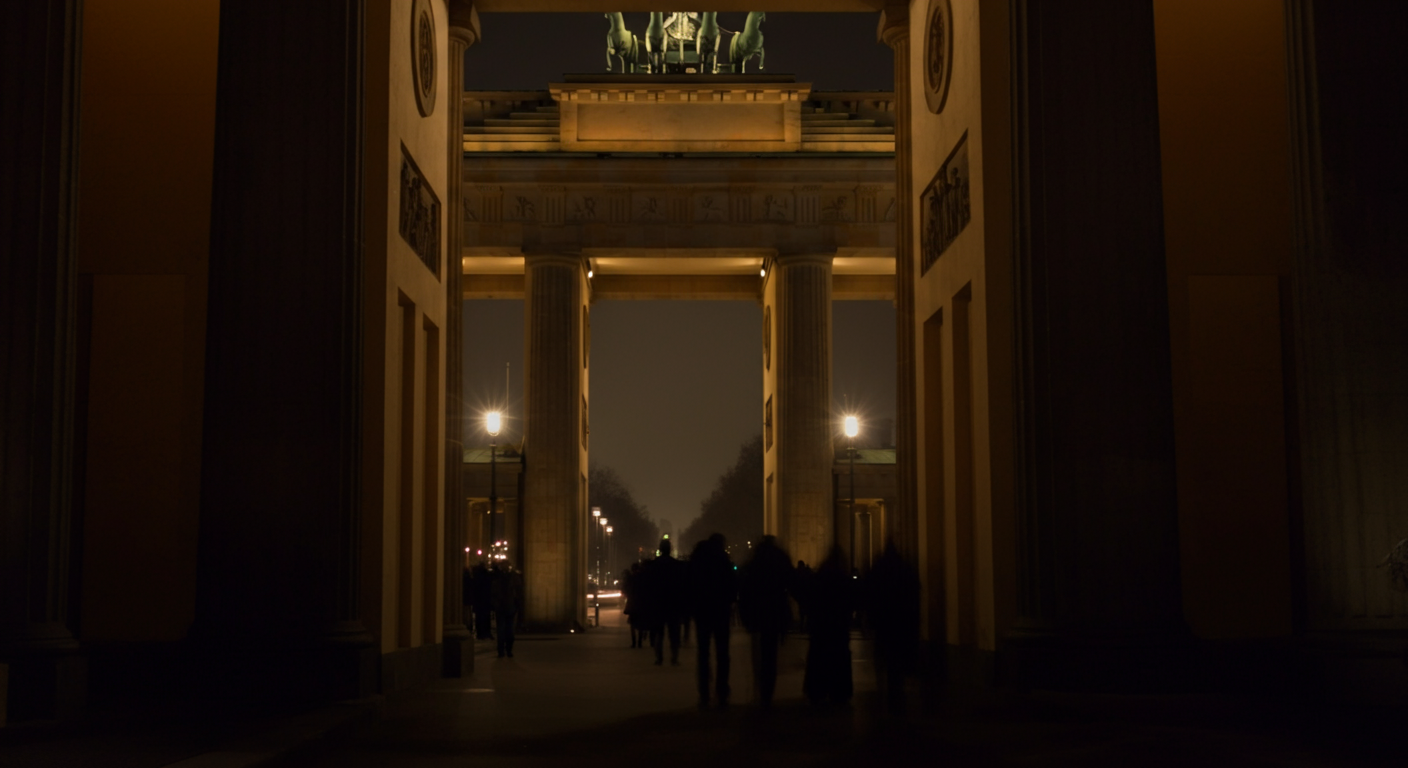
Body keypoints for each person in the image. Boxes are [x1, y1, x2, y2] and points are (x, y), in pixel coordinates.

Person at [866, 538, 921, 714]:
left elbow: (870, 592)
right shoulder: (904, 568)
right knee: (897, 657)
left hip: (884, 621)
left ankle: (885, 687)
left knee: (884, 655)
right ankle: (896, 689)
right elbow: (914, 591)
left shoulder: (880, 568)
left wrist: (871, 618)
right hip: (900, 621)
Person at [739, 535, 792, 708]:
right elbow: (791, 582)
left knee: (758, 652)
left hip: (757, 613)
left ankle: (760, 684)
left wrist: (744, 614)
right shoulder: (780, 560)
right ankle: (767, 690)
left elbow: (744, 590)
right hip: (775, 612)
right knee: (771, 654)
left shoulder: (754, 563)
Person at [689, 534, 736, 709]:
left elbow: (690, 585)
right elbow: (732, 585)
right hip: (720, 611)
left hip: (702, 611)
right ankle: (722, 691)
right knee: (723, 654)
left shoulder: (697, 561)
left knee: (703, 654)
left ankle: (704, 693)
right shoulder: (723, 561)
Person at [803, 546, 853, 705]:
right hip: (838, 626)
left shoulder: (820, 578)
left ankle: (817, 690)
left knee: (819, 657)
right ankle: (839, 691)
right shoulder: (843, 579)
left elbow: (809, 597)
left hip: (821, 626)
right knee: (839, 658)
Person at [643, 538, 687, 666]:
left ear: (660, 550)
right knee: (674, 633)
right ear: (670, 549)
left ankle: (659, 657)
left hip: (658, 603)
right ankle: (674, 657)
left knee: (659, 633)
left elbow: (648, 585)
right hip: (673, 603)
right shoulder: (677, 566)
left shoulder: (653, 565)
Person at [492, 560, 524, 658]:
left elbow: (493, 593)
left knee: (501, 629)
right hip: (510, 606)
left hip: (501, 606)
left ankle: (501, 651)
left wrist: (495, 604)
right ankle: (508, 650)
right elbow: (519, 592)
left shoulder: (496, 577)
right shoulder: (514, 577)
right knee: (509, 629)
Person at [471, 561, 494, 640]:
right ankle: (486, 633)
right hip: (485, 600)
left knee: (479, 618)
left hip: (478, 601)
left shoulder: (476, 576)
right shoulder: (487, 576)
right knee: (486, 617)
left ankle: (480, 633)